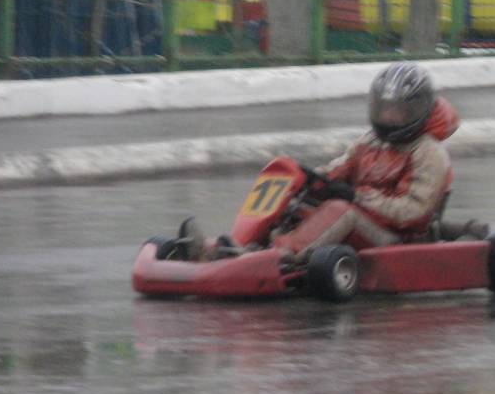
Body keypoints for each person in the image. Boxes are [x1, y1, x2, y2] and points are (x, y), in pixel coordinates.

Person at [179, 61, 463, 261]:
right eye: (385, 109)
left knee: (340, 209)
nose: (389, 117)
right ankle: (228, 247)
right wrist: (308, 180)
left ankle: (275, 256)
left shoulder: (429, 152)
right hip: (366, 220)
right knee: (297, 197)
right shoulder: (370, 141)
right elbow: (338, 169)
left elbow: (413, 212)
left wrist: (356, 197)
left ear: (419, 110)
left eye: (398, 112)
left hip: (397, 238)